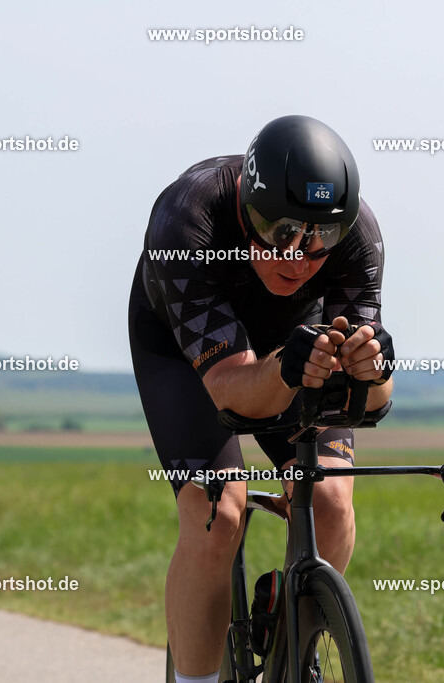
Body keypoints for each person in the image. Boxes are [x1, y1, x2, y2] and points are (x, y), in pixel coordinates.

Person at [127, 115, 395, 683]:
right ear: (249, 208)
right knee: (218, 513)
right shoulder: (188, 217)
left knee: (332, 502)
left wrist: (374, 370)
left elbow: (370, 403)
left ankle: (293, 639)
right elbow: (233, 392)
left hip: (295, 342)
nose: (297, 257)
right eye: (280, 234)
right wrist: (287, 368)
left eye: (318, 239)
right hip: (186, 352)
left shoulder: (359, 237)